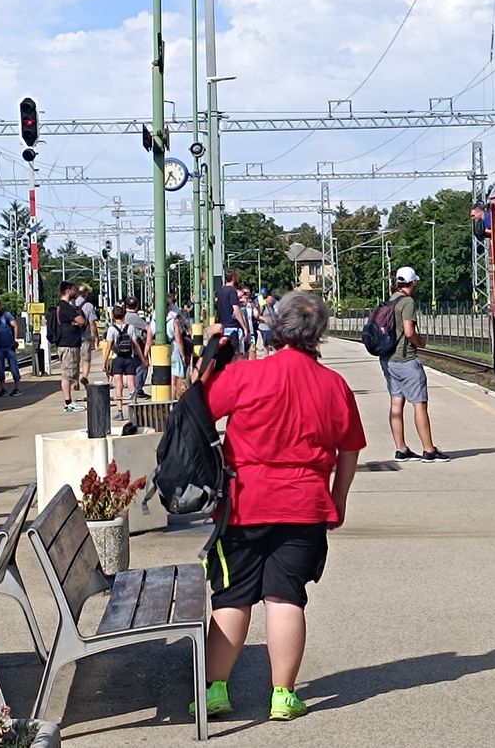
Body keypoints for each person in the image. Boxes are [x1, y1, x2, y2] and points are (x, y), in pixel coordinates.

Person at [195, 291, 365, 722]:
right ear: (319, 334)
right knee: (286, 597)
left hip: (244, 504)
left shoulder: (247, 375)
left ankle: (215, 691)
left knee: (232, 597)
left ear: (276, 327)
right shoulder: (334, 386)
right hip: (305, 505)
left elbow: (198, 408)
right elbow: (349, 449)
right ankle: (283, 695)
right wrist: (338, 498)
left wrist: (210, 351)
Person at [382, 267, 448, 462]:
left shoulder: (390, 300)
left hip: (388, 360)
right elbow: (410, 332)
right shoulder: (407, 302)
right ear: (413, 283)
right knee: (419, 404)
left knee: (396, 403)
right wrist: (421, 343)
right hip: (406, 360)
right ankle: (429, 450)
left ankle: (401, 449)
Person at [144, 293, 189, 398]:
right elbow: (179, 339)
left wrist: (145, 356)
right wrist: (183, 355)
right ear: (168, 306)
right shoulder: (173, 320)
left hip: (158, 352)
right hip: (173, 349)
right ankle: (172, 401)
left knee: (162, 378)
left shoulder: (153, 320)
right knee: (174, 379)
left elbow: (149, 340)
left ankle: (161, 399)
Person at [104, 306, 144, 421]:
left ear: (113, 316)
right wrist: (142, 359)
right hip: (129, 359)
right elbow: (136, 345)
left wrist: (105, 361)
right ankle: (134, 409)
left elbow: (108, 347)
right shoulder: (130, 328)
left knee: (119, 385)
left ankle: (120, 412)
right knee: (132, 385)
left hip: (118, 359)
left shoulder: (112, 329)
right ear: (123, 315)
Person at [54, 281, 86, 413]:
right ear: (67, 291)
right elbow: (81, 321)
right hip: (69, 345)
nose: (75, 292)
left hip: (66, 343)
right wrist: (77, 322)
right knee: (68, 374)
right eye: (73, 290)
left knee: (69, 373)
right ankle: (68, 402)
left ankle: (69, 401)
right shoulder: (66, 307)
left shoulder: (60, 306)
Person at [215, 268, 249, 356]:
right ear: (233, 277)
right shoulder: (232, 291)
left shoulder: (220, 291)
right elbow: (236, 310)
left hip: (223, 327)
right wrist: (244, 328)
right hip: (233, 327)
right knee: (238, 355)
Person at [124, 297, 150, 400]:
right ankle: (138, 389)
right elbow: (148, 329)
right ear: (137, 305)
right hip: (137, 346)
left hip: (126, 347)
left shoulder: (124, 317)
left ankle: (133, 389)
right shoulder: (135, 318)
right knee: (142, 367)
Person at [74, 285, 99, 390]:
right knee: (86, 359)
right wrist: (96, 337)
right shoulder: (89, 306)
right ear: (86, 293)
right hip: (86, 336)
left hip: (74, 336)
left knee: (75, 360)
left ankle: (76, 381)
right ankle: (84, 376)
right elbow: (92, 323)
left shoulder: (71, 304)